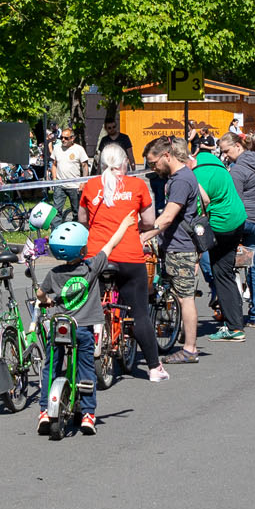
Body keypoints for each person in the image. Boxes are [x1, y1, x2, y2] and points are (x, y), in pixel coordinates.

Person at [35, 216, 134, 435]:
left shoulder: (54, 274)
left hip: (60, 326)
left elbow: (40, 294)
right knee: (86, 368)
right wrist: (124, 224)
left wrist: (47, 301)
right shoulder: (91, 268)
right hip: (83, 328)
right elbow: (111, 244)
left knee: (51, 366)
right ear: (82, 250)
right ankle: (88, 415)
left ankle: (44, 410)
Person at [78, 144, 168, 381]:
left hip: (97, 256)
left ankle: (84, 361)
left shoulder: (91, 186)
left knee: (87, 311)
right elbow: (149, 221)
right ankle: (154, 368)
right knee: (139, 313)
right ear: (124, 163)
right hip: (129, 255)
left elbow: (82, 219)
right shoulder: (137, 185)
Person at [145, 136, 207, 363]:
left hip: (180, 247)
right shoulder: (186, 175)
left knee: (185, 298)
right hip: (181, 244)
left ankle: (190, 349)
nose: (153, 168)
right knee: (181, 295)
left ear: (166, 156)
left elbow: (169, 216)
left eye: (154, 163)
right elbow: (206, 199)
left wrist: (145, 235)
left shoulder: (180, 180)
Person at [194, 136, 247, 342]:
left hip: (221, 224)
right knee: (224, 272)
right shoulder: (214, 162)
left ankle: (233, 325)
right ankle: (234, 321)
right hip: (237, 219)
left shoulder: (198, 174)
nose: (225, 155)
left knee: (220, 273)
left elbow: (203, 201)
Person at [223, 132, 255, 328]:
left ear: (238, 146)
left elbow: (235, 200)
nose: (226, 155)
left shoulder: (237, 170)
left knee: (226, 265)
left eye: (227, 151)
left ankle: (229, 310)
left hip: (245, 219)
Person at [50, 127, 87, 219]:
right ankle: (55, 231)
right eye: (61, 137)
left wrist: (83, 182)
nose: (63, 140)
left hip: (75, 186)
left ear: (72, 138)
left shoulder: (79, 149)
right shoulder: (57, 148)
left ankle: (78, 232)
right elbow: (54, 165)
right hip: (60, 185)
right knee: (56, 212)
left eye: (66, 138)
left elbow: (85, 166)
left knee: (77, 212)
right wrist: (54, 179)